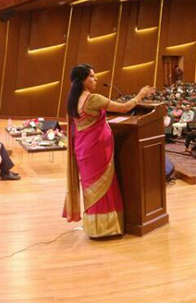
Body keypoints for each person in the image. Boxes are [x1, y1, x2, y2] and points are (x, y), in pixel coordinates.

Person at [63, 63, 154, 238]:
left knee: (91, 187)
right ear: (82, 80)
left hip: (83, 148)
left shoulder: (72, 100)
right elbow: (125, 108)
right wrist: (141, 95)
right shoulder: (93, 99)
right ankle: (106, 228)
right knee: (104, 186)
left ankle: (94, 228)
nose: (95, 79)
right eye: (91, 76)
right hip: (97, 149)